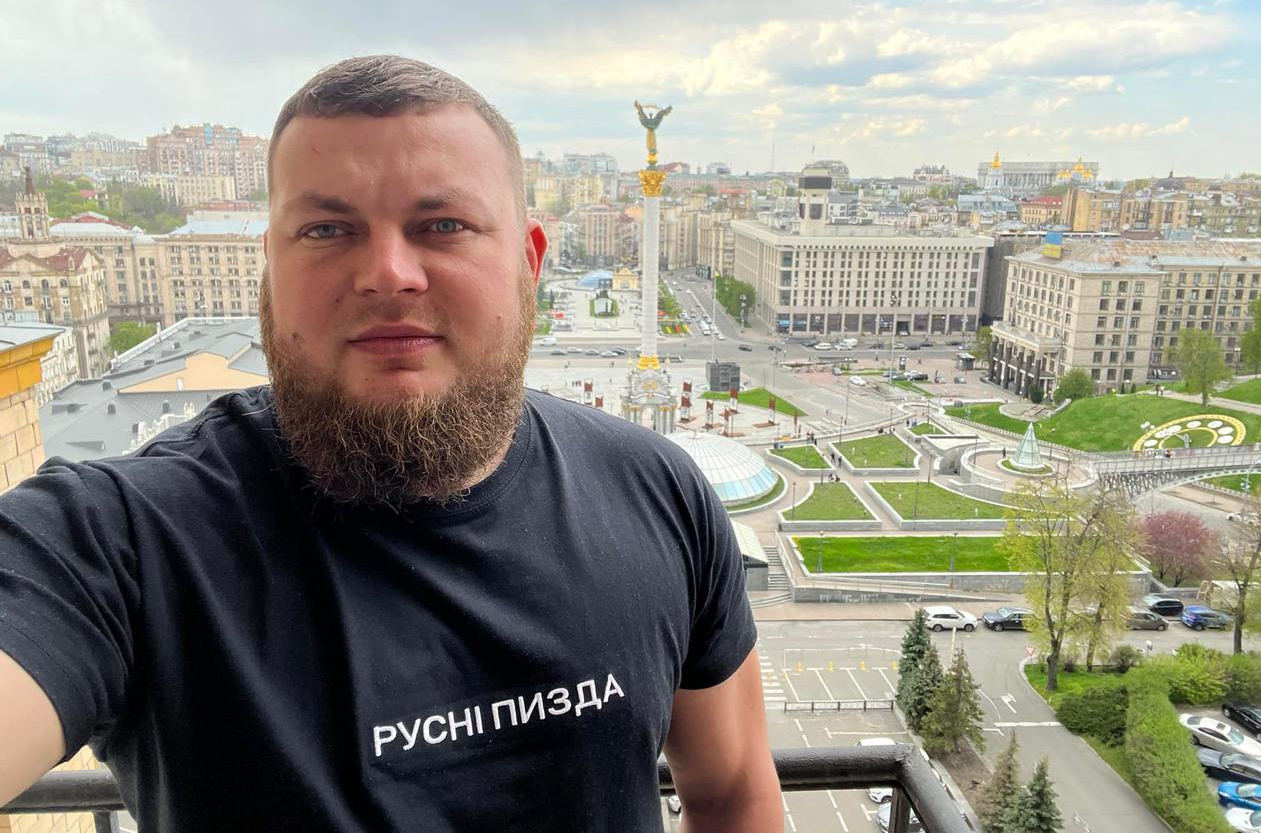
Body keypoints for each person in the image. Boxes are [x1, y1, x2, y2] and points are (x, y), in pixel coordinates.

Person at [0, 56, 781, 832]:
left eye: (443, 225)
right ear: (269, 270)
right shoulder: (124, 544)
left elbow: (736, 794)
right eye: (326, 230)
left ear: (530, 261)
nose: (387, 273)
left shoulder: (657, 491)